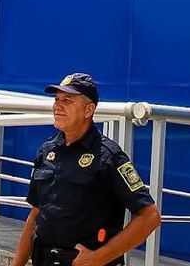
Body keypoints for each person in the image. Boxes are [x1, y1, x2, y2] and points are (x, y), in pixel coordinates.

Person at [11, 73, 161, 266]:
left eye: (67, 100)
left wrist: (99, 257)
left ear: (89, 110)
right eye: (56, 99)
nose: (57, 106)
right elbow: (34, 216)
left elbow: (149, 216)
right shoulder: (46, 151)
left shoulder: (109, 156)